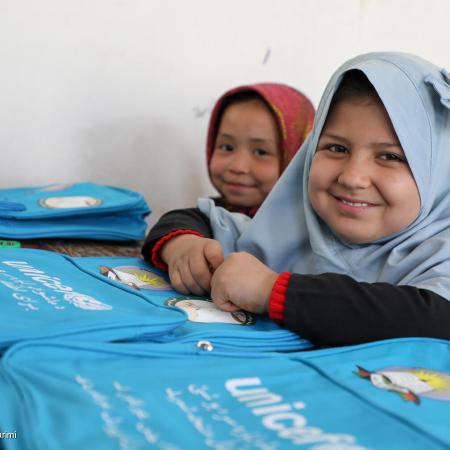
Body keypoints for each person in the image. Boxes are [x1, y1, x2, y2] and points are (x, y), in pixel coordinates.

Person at [141, 83, 315, 266]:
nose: (238, 166)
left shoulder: (310, 233)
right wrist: (183, 245)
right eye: (227, 147)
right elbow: (176, 223)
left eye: (261, 152)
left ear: (298, 157)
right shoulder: (214, 215)